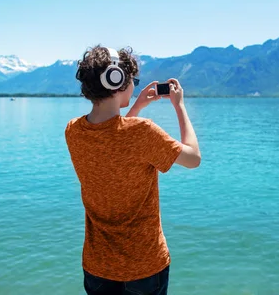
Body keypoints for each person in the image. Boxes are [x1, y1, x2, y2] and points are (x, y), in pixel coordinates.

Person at [65, 45, 201, 295]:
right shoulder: (142, 132)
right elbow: (193, 158)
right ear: (116, 80)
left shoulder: (73, 131)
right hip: (145, 268)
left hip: (98, 268)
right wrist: (180, 106)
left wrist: (134, 109)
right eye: (133, 80)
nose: (135, 85)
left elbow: (115, 138)